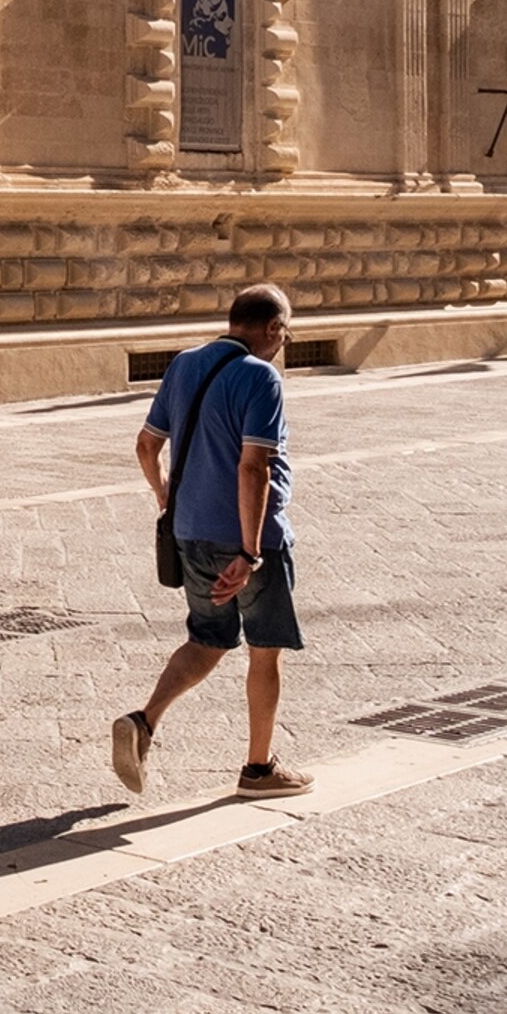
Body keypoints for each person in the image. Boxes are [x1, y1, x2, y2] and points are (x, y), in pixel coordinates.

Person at [112, 282, 314, 801]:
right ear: (272, 328)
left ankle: (145, 721)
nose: (284, 343)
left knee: (207, 639)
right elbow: (254, 467)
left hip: (190, 533)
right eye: (286, 333)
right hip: (249, 540)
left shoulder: (183, 364)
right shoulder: (260, 376)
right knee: (264, 652)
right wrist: (249, 552)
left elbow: (145, 444)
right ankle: (258, 769)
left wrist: (164, 498)